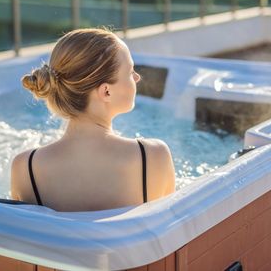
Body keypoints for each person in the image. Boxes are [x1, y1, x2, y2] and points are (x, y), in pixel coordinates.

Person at [10, 28, 176, 211]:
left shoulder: (25, 168)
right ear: (107, 91)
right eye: (130, 72)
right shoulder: (153, 157)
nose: (137, 77)